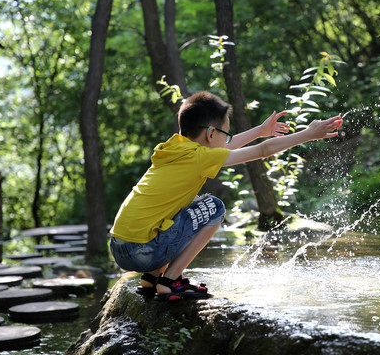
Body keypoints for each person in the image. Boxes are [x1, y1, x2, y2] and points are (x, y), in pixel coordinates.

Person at [109, 91, 343, 301]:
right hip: (142, 252)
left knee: (181, 210)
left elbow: (223, 148)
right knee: (214, 207)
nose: (227, 140)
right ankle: (170, 282)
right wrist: (307, 134)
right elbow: (264, 151)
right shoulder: (200, 157)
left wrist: (261, 131)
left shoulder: (174, 149)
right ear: (211, 133)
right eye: (226, 134)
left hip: (120, 248)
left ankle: (150, 279)